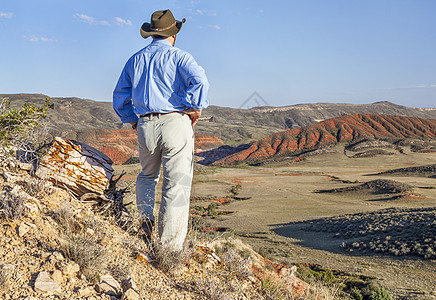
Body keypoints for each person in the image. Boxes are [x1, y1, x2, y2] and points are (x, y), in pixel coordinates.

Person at [113, 9, 209, 251]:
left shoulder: (135, 60)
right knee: (175, 184)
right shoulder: (180, 57)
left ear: (151, 34)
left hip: (145, 125)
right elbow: (200, 81)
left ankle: (144, 223)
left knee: (146, 176)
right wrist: (196, 108)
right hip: (174, 122)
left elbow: (119, 96)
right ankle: (169, 248)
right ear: (173, 34)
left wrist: (132, 119)